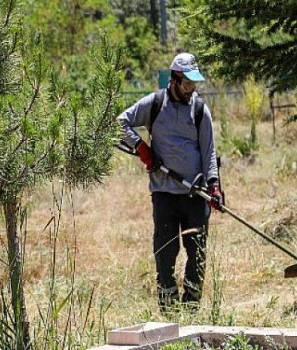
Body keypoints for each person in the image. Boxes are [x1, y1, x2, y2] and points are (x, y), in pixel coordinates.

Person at [117, 52, 223, 313]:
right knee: (165, 254)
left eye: (194, 85)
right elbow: (121, 122)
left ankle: (190, 310)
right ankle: (168, 310)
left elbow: (209, 152)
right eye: (187, 85)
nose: (191, 90)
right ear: (174, 80)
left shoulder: (199, 110)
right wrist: (142, 148)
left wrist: (214, 185)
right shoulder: (154, 104)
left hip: (195, 193)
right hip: (164, 192)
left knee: (196, 255)